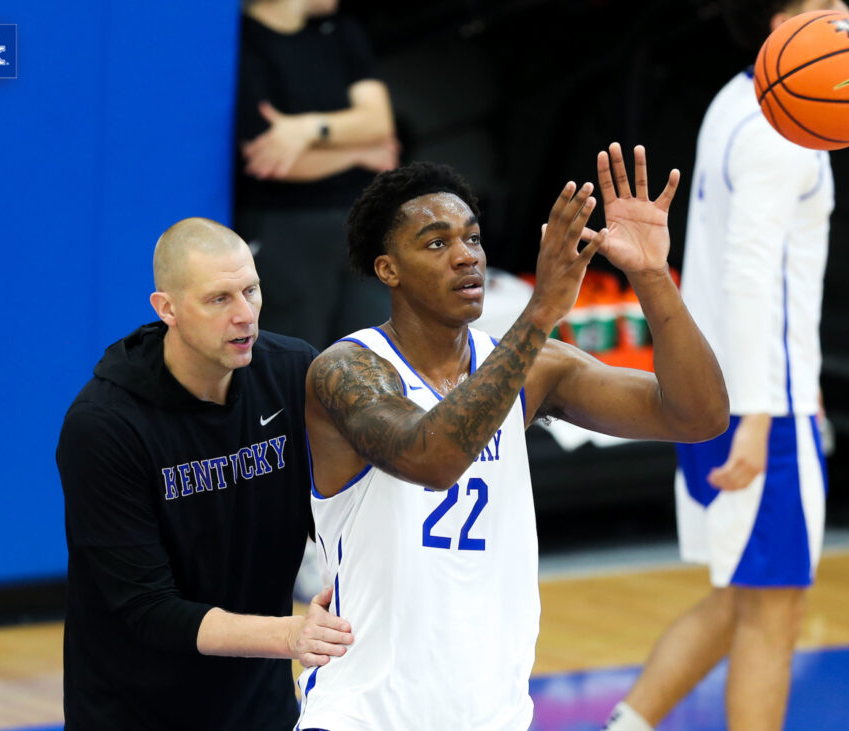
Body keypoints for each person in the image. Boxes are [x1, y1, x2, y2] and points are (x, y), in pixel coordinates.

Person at [294, 144, 729, 730]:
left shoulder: (532, 366)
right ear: (387, 269)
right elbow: (432, 456)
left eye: (472, 238)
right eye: (436, 242)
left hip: (491, 714)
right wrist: (540, 311)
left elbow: (697, 416)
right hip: (365, 714)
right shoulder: (347, 370)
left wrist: (651, 276)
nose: (465, 257)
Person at [600, 2, 844, 729]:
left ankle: (627, 723)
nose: (845, 16)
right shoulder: (784, 128)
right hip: (757, 408)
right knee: (775, 611)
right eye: (822, 6)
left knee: (745, 593)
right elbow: (747, 276)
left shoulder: (738, 97)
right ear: (779, 25)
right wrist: (761, 416)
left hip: (717, 389)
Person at [55, 218, 354, 730]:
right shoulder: (104, 426)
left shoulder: (292, 371)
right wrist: (289, 636)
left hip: (260, 703)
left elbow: (336, 513)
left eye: (251, 291)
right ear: (166, 308)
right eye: (219, 300)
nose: (244, 316)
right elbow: (147, 608)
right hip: (134, 709)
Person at [234, 0, 398, 349]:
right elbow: (273, 161)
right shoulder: (243, 40)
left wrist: (308, 130)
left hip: (363, 225)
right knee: (296, 364)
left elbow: (379, 123)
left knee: (374, 358)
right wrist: (359, 150)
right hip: (285, 230)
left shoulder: (342, 32)